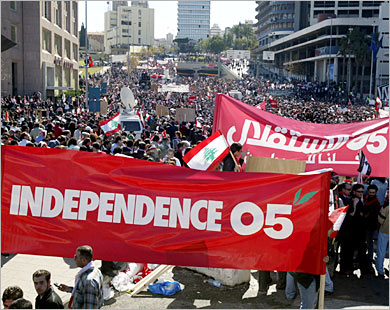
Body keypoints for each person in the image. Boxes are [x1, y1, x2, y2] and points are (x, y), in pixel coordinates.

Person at [364, 184, 381, 267]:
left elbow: (371, 215)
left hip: (370, 226)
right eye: (370, 192)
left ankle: (369, 261)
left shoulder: (376, 203)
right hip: (366, 226)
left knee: (370, 244)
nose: (371, 194)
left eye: (373, 192)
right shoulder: (366, 198)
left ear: (376, 192)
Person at [375, 200, 389, 278]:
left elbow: (380, 220)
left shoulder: (386, 206)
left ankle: (380, 270)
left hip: (384, 231)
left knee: (381, 251)